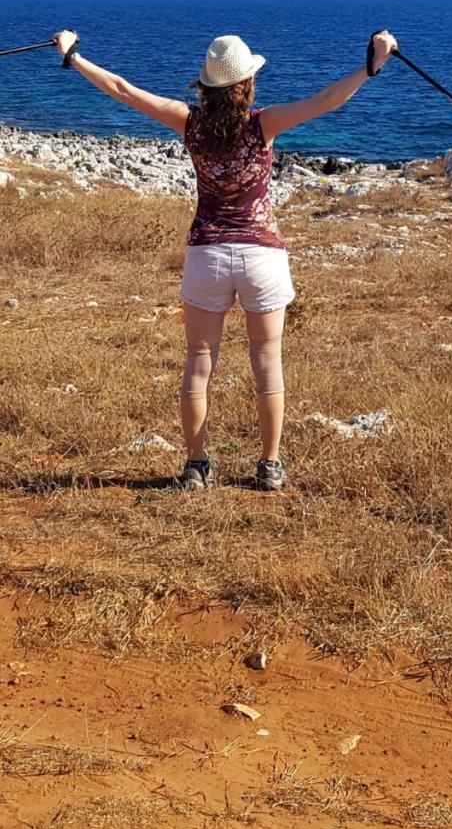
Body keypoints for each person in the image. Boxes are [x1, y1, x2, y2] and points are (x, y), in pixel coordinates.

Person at [52, 27, 398, 491]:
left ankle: (196, 466)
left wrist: (73, 55)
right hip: (262, 256)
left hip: (207, 254)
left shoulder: (187, 122)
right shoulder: (264, 123)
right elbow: (326, 101)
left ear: (207, 85)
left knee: (199, 360)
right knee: (267, 360)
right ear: (247, 84)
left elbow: (123, 90)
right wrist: (372, 65)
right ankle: (270, 465)